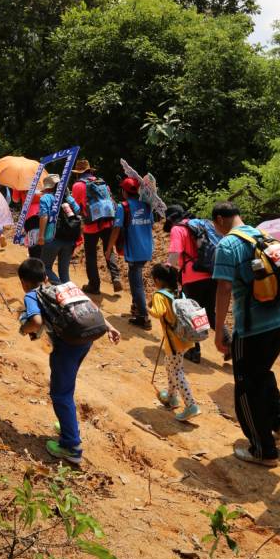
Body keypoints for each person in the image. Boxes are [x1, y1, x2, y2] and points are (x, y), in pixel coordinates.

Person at [212, 202, 280, 466]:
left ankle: (262, 450)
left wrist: (219, 332)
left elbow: (224, 289)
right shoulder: (264, 236)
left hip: (252, 327)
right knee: (262, 373)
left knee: (246, 387)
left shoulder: (227, 245)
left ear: (219, 220)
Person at [18, 257, 120, 465]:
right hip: (87, 339)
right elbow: (89, 306)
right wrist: (109, 327)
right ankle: (68, 425)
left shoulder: (31, 295)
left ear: (24, 282)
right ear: (46, 277)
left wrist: (23, 328)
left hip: (68, 346)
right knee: (67, 387)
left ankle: (71, 446)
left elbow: (36, 322)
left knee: (60, 393)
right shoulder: (62, 287)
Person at [165, 204, 228, 362]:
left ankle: (194, 351)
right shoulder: (201, 224)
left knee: (190, 313)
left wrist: (167, 268)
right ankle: (230, 344)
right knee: (209, 312)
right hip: (212, 273)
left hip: (192, 277)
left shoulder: (177, 229)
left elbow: (174, 255)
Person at [149, 263, 201, 421]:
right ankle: (171, 397)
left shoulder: (159, 295)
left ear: (157, 280)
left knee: (176, 371)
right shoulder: (179, 292)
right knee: (170, 365)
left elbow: (157, 313)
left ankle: (191, 405)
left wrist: (149, 306)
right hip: (185, 338)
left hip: (173, 341)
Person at [105, 177, 154, 330]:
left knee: (136, 283)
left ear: (124, 191)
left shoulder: (123, 207)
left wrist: (109, 248)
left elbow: (116, 229)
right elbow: (150, 224)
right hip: (147, 249)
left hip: (134, 249)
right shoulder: (147, 205)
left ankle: (144, 317)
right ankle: (136, 309)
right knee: (136, 278)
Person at [71, 159, 122, 295]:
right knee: (109, 250)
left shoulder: (77, 186)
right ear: (90, 171)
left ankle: (94, 285)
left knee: (91, 255)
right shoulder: (102, 182)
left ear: (78, 173)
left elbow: (75, 206)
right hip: (107, 221)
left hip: (91, 225)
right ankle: (116, 276)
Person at [38, 174, 81, 285]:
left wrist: (41, 236)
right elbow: (78, 210)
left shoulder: (46, 198)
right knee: (64, 272)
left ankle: (62, 288)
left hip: (53, 237)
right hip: (69, 238)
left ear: (48, 187)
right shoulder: (67, 197)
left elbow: (44, 216)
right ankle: (70, 298)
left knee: (45, 268)